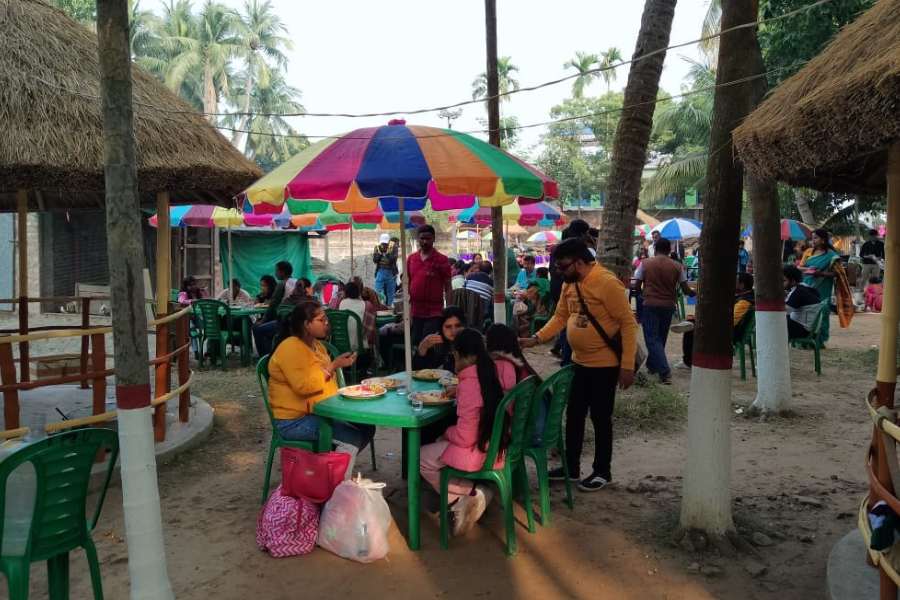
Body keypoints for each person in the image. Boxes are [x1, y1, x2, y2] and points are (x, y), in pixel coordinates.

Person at [520, 238, 637, 491]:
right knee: (573, 415)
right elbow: (561, 316)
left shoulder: (606, 283)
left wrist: (627, 366)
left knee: (600, 417)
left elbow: (628, 324)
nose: (560, 273)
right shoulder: (569, 284)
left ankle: (602, 471)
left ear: (580, 262)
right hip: (578, 364)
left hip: (605, 366)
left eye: (563, 267)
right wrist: (536, 338)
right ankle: (571, 467)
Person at [419, 328, 517, 536]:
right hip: (495, 444)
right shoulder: (489, 371)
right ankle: (469, 495)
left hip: (479, 451)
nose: (454, 360)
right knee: (436, 446)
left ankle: (472, 492)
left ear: (465, 356)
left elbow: (465, 436)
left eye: (455, 355)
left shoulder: (470, 383)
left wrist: (446, 433)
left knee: (420, 458)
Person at [267, 300, 375, 477]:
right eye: (321, 320)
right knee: (352, 438)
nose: (327, 323)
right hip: (293, 420)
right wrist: (332, 367)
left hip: (318, 412)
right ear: (306, 324)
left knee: (367, 427)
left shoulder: (317, 346)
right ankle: (333, 489)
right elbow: (303, 386)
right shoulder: (290, 347)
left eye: (326, 319)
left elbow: (326, 382)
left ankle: (327, 469)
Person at [632, 238, 695, 384]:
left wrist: (642, 294)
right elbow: (685, 289)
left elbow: (636, 284)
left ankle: (664, 371)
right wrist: (693, 293)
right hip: (668, 305)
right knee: (661, 337)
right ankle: (652, 366)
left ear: (655, 248)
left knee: (652, 338)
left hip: (650, 303)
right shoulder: (677, 266)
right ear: (669, 250)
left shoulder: (646, 263)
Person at [680, 273, 755, 367]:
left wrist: (706, 321)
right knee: (692, 323)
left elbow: (730, 321)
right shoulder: (744, 297)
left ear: (742, 285)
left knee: (690, 329)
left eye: (735, 281)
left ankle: (688, 362)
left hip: (727, 332)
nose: (733, 283)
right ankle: (691, 323)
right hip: (728, 329)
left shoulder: (744, 301)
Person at [798, 228, 854, 342]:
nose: (812, 241)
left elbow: (837, 274)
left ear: (823, 240)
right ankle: (804, 338)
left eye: (815, 238)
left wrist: (821, 273)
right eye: (812, 238)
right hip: (807, 284)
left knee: (822, 311)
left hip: (823, 287)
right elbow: (800, 267)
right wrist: (809, 270)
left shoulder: (832, 255)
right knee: (806, 310)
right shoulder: (808, 252)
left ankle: (820, 339)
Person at [407, 225, 453, 345]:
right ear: (418, 239)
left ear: (433, 239)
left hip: (434, 312)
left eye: (428, 238)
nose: (425, 241)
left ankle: (429, 364)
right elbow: (407, 282)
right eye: (422, 238)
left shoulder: (442, 260)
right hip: (415, 311)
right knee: (415, 343)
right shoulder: (411, 259)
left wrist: (449, 309)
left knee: (428, 343)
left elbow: (448, 286)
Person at [253, 261, 295, 357]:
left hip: (285, 322)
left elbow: (272, 306)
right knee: (267, 329)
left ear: (282, 272)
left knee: (257, 328)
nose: (275, 273)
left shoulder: (282, 284)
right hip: (296, 320)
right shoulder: (297, 282)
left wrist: (262, 321)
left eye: (276, 271)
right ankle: (273, 353)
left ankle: (265, 358)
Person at [413, 306, 466, 372]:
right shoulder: (435, 342)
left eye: (458, 326)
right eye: (448, 326)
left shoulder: (471, 342)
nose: (453, 331)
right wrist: (422, 348)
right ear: (441, 327)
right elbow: (418, 372)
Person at [784, 265, 822, 339]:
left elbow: (784, 311)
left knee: (774, 320)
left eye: (783, 281)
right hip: (807, 327)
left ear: (793, 281)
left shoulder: (798, 292)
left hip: (803, 330)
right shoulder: (803, 287)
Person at [373, 233, 399, 306]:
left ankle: (390, 306)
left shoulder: (394, 247)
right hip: (380, 271)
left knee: (391, 292)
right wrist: (380, 254)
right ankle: (378, 305)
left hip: (390, 272)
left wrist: (387, 253)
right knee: (377, 290)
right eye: (383, 243)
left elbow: (393, 259)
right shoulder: (377, 247)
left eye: (386, 243)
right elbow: (375, 260)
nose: (384, 245)